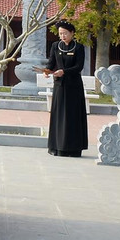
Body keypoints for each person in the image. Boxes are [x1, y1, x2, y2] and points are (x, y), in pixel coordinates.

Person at [41, 21, 88, 158]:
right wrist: (47, 71)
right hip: (60, 86)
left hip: (74, 87)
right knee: (59, 115)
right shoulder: (55, 46)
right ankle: (57, 147)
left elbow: (79, 67)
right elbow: (51, 63)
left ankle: (72, 149)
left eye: (65, 33)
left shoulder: (78, 47)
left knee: (72, 116)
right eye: (60, 34)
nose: (63, 36)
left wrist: (64, 72)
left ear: (72, 33)